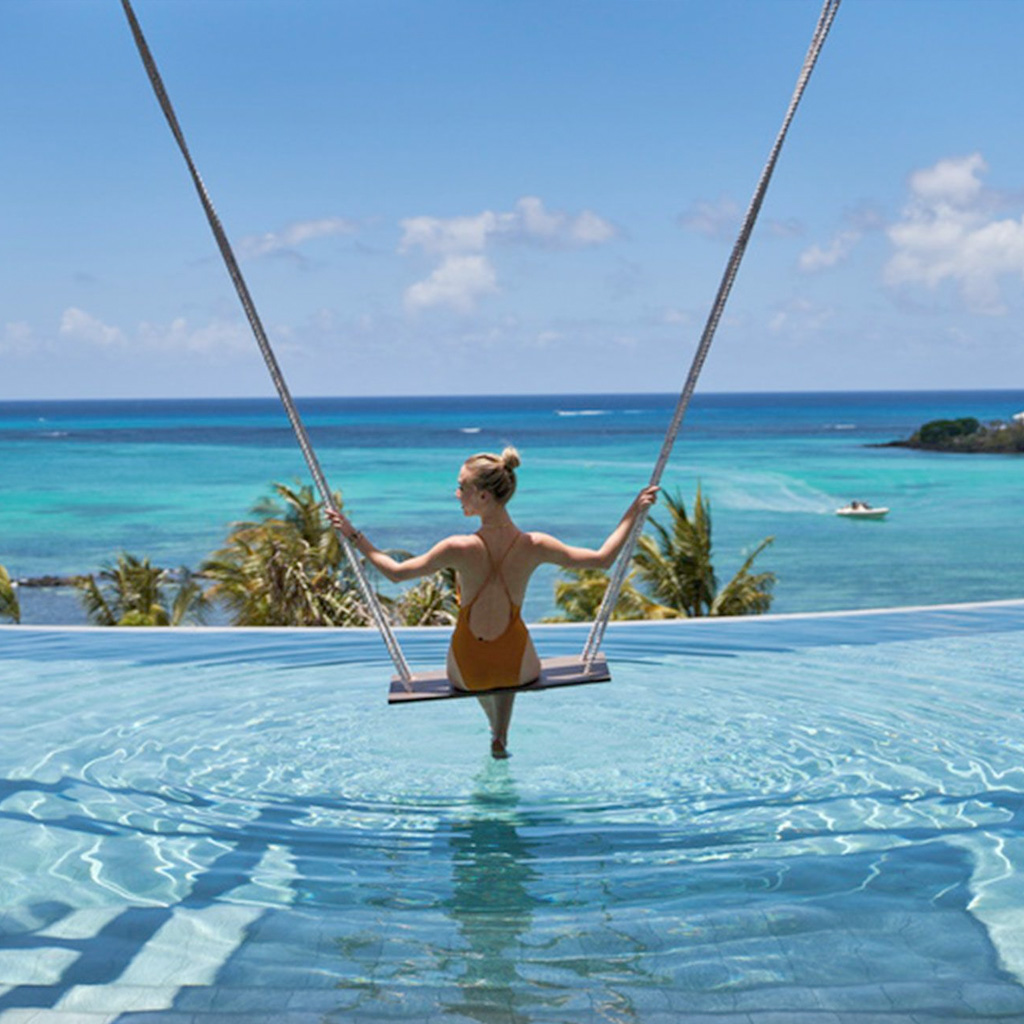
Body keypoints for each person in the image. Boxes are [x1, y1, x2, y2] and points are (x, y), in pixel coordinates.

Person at [326, 447, 659, 759]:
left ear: (483, 496)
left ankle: (494, 727)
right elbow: (602, 559)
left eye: (462, 487)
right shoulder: (536, 545)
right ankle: (501, 731)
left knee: (481, 675)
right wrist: (634, 510)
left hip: (468, 671)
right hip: (518, 669)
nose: (456, 494)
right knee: (509, 657)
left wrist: (353, 535)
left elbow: (396, 573)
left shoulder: (456, 548)